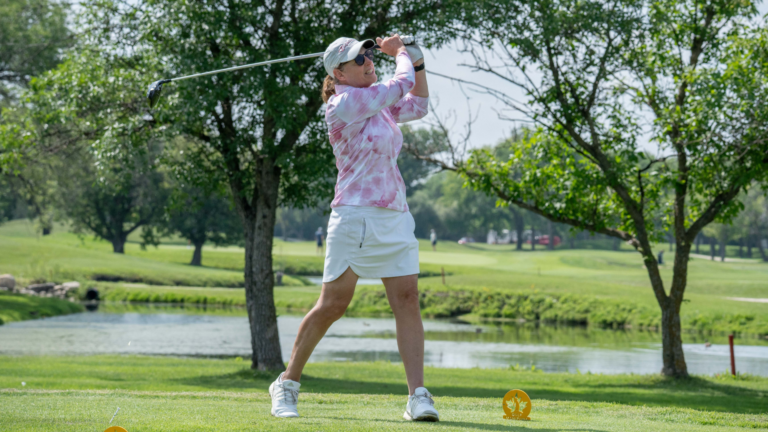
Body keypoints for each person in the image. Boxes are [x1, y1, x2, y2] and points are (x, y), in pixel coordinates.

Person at [269, 34, 437, 422]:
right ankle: (287, 384)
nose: (368, 60)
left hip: (394, 214)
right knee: (333, 304)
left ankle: (418, 396)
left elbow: (419, 104)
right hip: (354, 214)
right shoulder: (343, 105)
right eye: (358, 59)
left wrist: (417, 60)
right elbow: (400, 84)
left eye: (368, 54)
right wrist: (399, 54)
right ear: (339, 74)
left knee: (408, 299)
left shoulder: (379, 106)